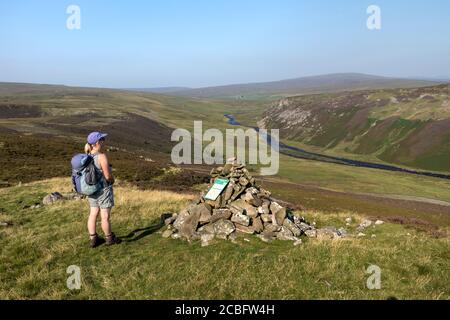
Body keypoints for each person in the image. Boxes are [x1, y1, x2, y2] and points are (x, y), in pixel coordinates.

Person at [84, 132, 121, 248]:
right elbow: (107, 176)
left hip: (91, 190)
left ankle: (93, 239)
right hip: (103, 189)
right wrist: (112, 180)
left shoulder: (86, 156)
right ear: (97, 142)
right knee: (105, 216)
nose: (103, 141)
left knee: (93, 214)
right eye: (102, 139)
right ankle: (109, 238)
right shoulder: (101, 156)